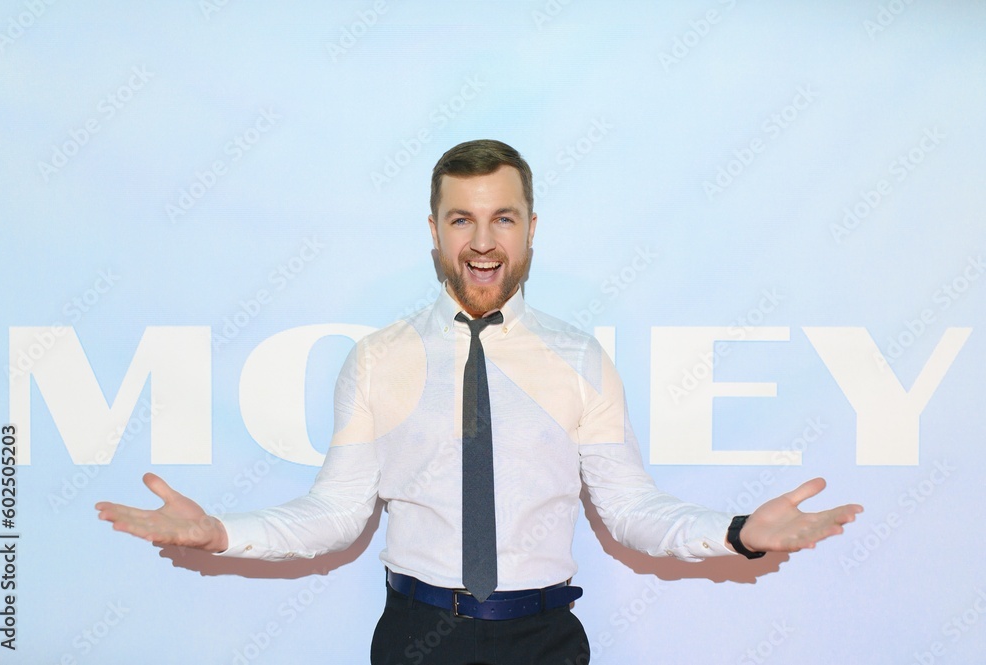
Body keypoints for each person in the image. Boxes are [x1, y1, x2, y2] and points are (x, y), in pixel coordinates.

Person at [96, 139, 863, 665]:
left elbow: (632, 509)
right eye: (462, 218)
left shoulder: (580, 360)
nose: (483, 240)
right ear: (434, 230)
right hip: (417, 637)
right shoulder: (378, 359)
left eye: (503, 217)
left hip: (544, 641)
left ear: (531, 228)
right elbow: (333, 514)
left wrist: (737, 531)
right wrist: (219, 531)